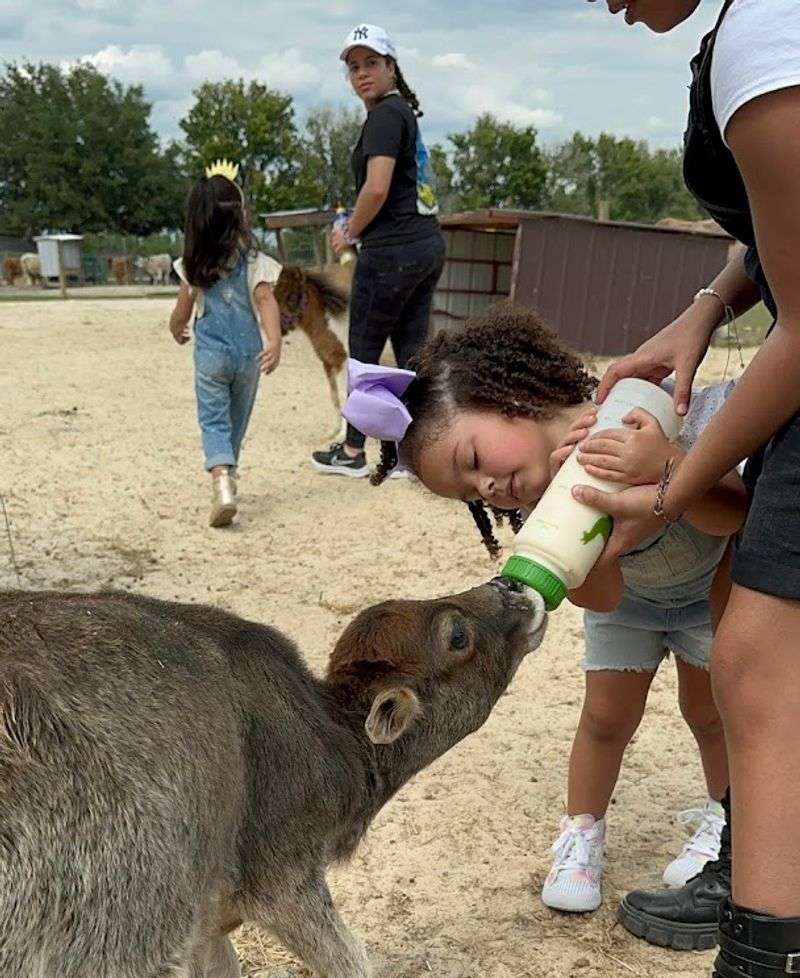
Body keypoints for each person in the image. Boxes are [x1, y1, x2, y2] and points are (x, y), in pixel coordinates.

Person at [562, 0, 800, 978]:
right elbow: (773, 243)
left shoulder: (767, 36)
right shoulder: (739, 31)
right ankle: (764, 884)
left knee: (759, 659)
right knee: (746, 637)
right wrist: (701, 314)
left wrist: (669, 483)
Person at [344, 308, 744, 912]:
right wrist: (591, 547)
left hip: (709, 592)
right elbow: (600, 598)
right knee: (605, 718)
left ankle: (727, 824)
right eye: (469, 493)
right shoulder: (543, 506)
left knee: (708, 711)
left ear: (511, 399)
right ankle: (582, 832)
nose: (486, 490)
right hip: (630, 607)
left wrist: (666, 467)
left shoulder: (639, 414)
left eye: (474, 461)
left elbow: (735, 512)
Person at [311, 23, 445, 478]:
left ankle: (352, 451)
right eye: (353, 66)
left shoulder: (385, 117)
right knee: (411, 349)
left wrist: (349, 231)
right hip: (425, 244)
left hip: (391, 251)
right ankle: (412, 452)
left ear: (391, 67)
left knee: (365, 348)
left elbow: (377, 187)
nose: (362, 73)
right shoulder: (403, 113)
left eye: (371, 63)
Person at [170, 162, 282, 528]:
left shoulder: (194, 263)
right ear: (241, 216)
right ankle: (228, 475)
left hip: (210, 357)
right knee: (237, 418)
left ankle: (221, 480)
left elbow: (182, 309)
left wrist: (176, 328)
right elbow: (265, 300)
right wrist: (275, 340)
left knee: (213, 418)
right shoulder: (253, 261)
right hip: (248, 357)